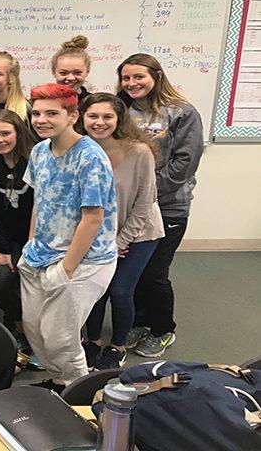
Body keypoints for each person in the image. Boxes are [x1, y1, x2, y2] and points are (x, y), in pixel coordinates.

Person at [20, 83, 117, 393]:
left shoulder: (90, 157)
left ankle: (78, 389)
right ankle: (62, 380)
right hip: (41, 254)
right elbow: (40, 201)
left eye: (51, 113)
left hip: (84, 260)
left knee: (59, 335)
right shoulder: (39, 151)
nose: (41, 119)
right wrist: (31, 243)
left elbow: (93, 218)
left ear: (73, 115)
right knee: (35, 330)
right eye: (36, 113)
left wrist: (67, 269)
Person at [117, 54, 203, 358]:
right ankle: (140, 321)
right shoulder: (121, 111)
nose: (131, 83)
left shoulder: (181, 112)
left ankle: (163, 328)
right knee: (133, 271)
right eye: (126, 78)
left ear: (156, 76)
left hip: (168, 208)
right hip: (130, 208)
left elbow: (184, 163)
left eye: (138, 77)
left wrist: (147, 193)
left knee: (154, 272)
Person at [78, 93, 165, 370]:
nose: (99, 122)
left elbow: (145, 202)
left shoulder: (139, 152)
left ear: (119, 120)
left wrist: (119, 241)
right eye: (93, 116)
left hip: (139, 234)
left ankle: (116, 347)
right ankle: (92, 342)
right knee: (95, 289)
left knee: (119, 291)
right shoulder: (79, 149)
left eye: (107, 116)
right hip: (98, 234)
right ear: (81, 118)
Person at [0, 109, 39, 369]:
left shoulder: (36, 160)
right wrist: (1, 248)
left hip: (37, 237)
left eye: (5, 133)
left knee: (36, 282)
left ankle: (40, 334)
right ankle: (19, 325)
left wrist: (30, 246)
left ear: (18, 132)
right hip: (4, 239)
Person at [51, 35, 93, 104]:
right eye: (63, 73)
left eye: (77, 72)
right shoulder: (44, 101)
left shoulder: (93, 103)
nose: (70, 78)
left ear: (87, 72)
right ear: (54, 72)